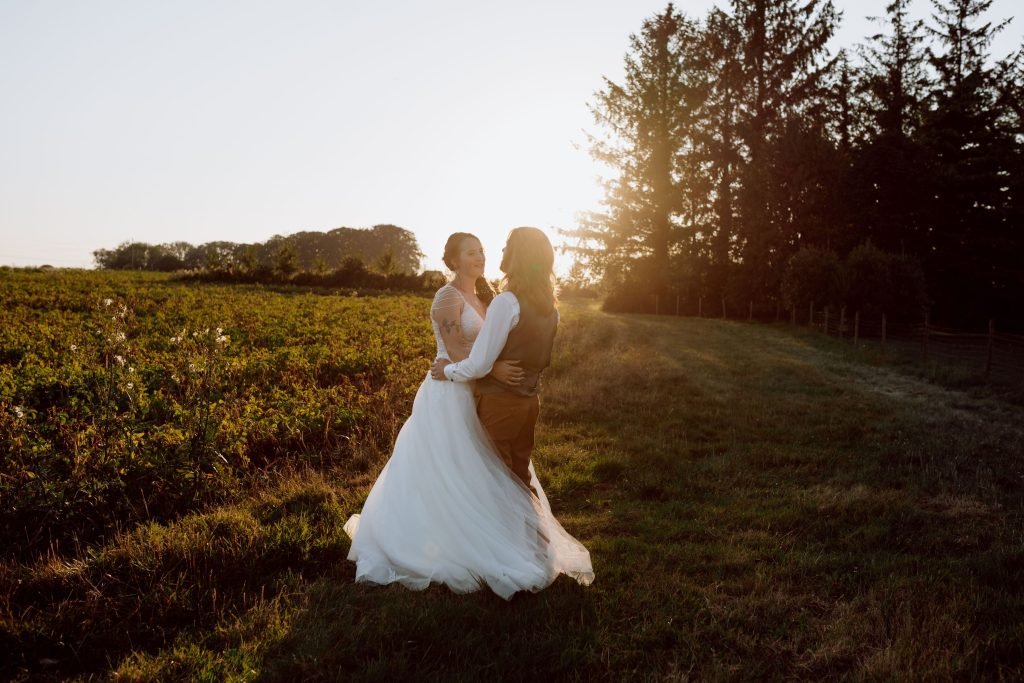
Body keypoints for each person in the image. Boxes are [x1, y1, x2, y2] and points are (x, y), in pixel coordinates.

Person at [343, 231, 593, 600]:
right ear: (454, 260)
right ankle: (446, 539)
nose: (480, 257)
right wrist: (495, 371)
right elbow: (458, 350)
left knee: (482, 468)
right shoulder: (447, 297)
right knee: (454, 468)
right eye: (471, 253)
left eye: (482, 251)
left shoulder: (488, 297)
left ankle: (495, 538)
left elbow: (497, 344)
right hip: (451, 390)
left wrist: (496, 369)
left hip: (478, 387)